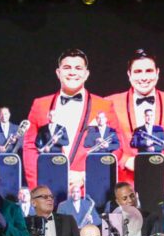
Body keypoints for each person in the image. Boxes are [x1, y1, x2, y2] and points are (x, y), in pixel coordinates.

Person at [23, 49, 122, 187]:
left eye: (78, 68)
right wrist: (38, 189)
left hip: (88, 191)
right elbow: (30, 149)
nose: (72, 72)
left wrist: (86, 176)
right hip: (48, 190)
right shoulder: (40, 105)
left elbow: (116, 148)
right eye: (67, 68)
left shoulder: (104, 106)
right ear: (58, 73)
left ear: (86, 74)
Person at [106, 49, 164, 184]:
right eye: (138, 72)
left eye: (148, 71)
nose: (143, 77)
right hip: (124, 185)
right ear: (129, 75)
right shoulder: (110, 103)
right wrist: (125, 160)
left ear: (157, 73)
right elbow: (102, 144)